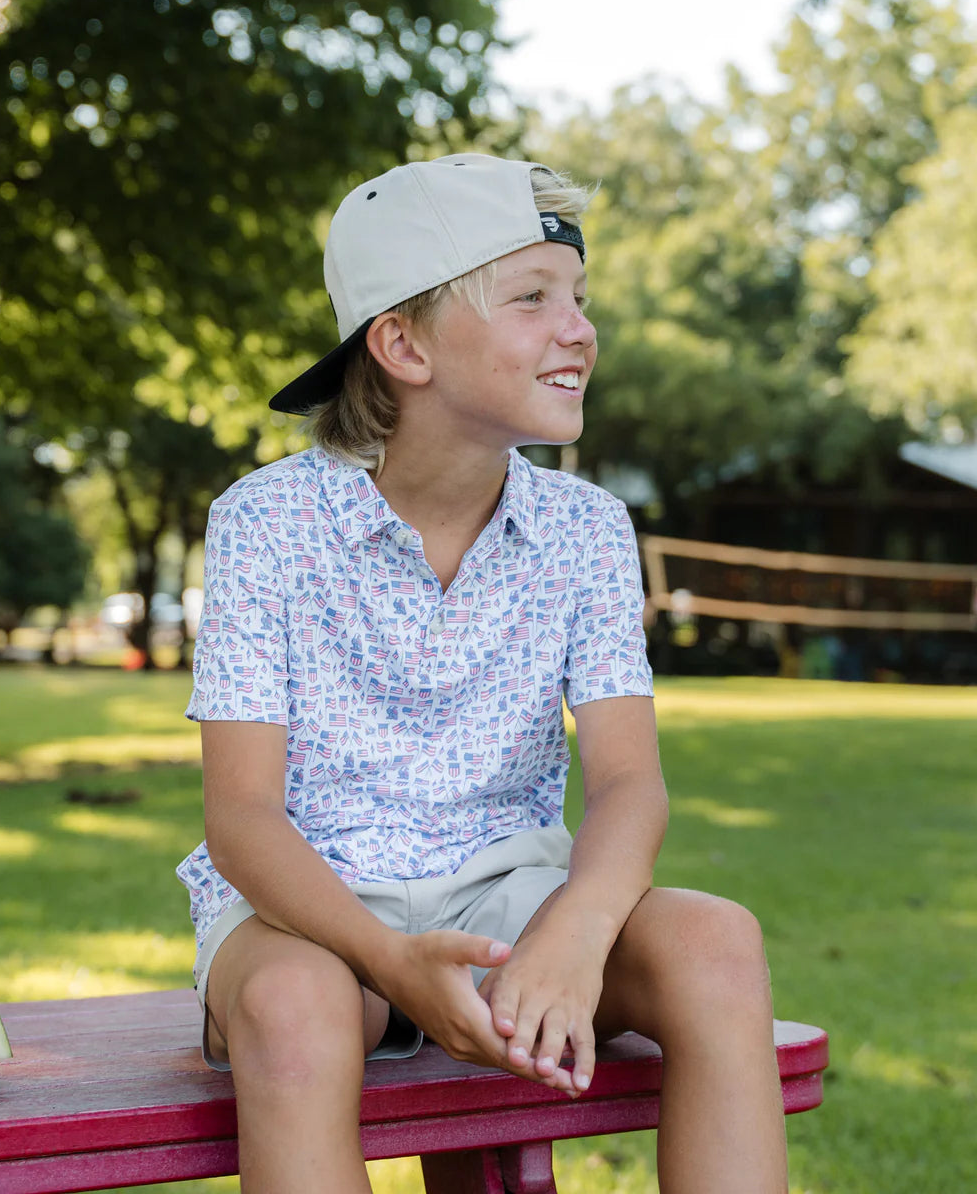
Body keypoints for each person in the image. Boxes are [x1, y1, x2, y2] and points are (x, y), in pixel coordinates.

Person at [177, 153, 788, 1193]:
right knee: (293, 1009)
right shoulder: (264, 523)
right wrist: (388, 960)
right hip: (311, 912)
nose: (579, 329)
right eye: (533, 299)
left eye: (579, 298)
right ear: (403, 345)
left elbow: (630, 783)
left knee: (717, 945)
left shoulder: (588, 528)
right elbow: (241, 819)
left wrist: (577, 933)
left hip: (514, 895)